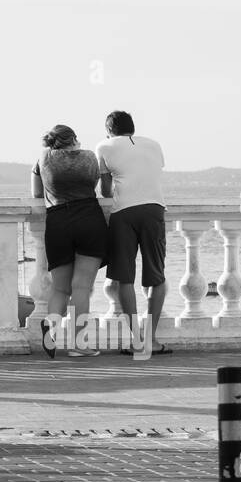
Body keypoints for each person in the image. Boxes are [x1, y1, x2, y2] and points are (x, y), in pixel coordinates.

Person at [95, 110, 170, 356]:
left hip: (124, 213)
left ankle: (136, 340)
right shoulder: (154, 145)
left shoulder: (104, 146)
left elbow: (105, 191)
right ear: (132, 128)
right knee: (156, 276)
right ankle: (152, 339)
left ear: (109, 130)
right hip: (154, 210)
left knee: (124, 278)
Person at [31, 124, 106, 358]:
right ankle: (78, 344)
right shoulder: (90, 158)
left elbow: (36, 194)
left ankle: (50, 328)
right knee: (82, 287)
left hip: (58, 222)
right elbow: (96, 187)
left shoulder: (43, 159)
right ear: (73, 139)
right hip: (88, 219)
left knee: (60, 288)